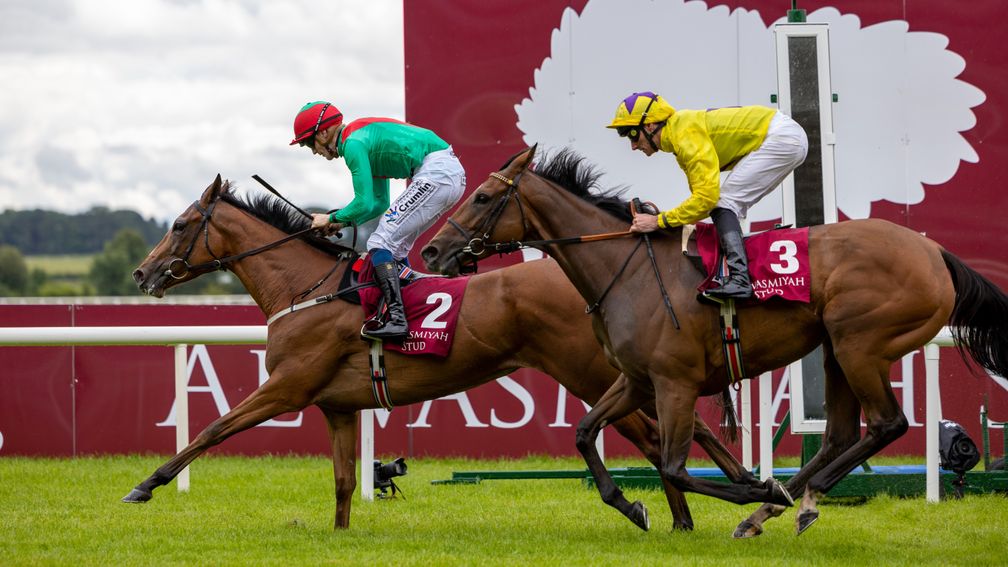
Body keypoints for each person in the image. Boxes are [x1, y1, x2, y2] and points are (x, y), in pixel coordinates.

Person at [291, 101, 466, 341]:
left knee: (379, 243)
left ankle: (397, 320)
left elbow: (363, 203)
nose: (313, 151)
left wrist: (331, 217)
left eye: (310, 142)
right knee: (394, 246)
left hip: (437, 173)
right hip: (445, 174)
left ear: (323, 132)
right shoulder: (361, 139)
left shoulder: (353, 144)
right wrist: (341, 223)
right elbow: (379, 204)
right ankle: (406, 310)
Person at [608, 91, 808, 299]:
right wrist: (667, 221)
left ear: (650, 125)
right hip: (784, 136)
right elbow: (700, 201)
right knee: (725, 205)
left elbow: (706, 200)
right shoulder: (680, 135)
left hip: (782, 138)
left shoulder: (685, 136)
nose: (632, 146)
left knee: (724, 202)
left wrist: (658, 221)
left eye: (632, 134)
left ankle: (740, 279)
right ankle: (734, 273)